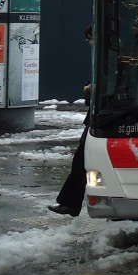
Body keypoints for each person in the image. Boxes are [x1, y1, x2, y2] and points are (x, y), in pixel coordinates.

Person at [50, 26, 92, 217]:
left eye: (90, 38)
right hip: (96, 119)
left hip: (100, 120)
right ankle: (70, 203)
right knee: (80, 162)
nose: (90, 43)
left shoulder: (108, 56)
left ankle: (71, 203)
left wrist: (89, 90)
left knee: (81, 161)